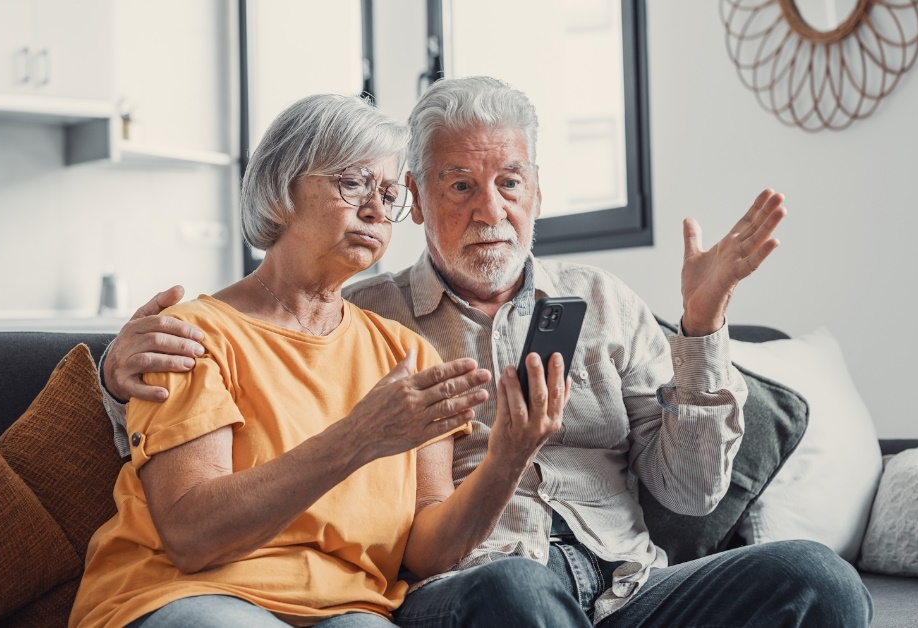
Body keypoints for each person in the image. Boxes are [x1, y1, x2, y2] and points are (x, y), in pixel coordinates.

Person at [100, 78, 873, 626]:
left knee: (816, 578)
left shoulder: (601, 304)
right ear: (424, 196)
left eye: (509, 181)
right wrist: (113, 371)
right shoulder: (368, 313)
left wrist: (700, 330)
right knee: (516, 590)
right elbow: (237, 354)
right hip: (484, 587)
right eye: (459, 185)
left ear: (537, 190)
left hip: (629, 584)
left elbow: (695, 495)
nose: (489, 210)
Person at [70, 93, 576, 628]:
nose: (376, 209)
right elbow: (193, 536)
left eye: (387, 193)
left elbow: (425, 551)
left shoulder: (405, 354)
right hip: (187, 594)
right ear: (283, 188)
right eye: (353, 183)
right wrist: (357, 438)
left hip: (348, 607)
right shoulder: (192, 335)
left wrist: (508, 456)